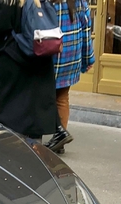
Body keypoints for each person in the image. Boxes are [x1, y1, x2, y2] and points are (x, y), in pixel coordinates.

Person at [0, 0, 58, 143]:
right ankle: (32, 152)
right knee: (32, 117)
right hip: (39, 61)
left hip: (14, 59)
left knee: (1, 110)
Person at [46, 0, 95, 154]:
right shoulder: (79, 1)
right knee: (62, 97)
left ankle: (40, 137)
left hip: (51, 53)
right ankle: (59, 139)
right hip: (71, 55)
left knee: (41, 96)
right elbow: (86, 29)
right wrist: (88, 58)